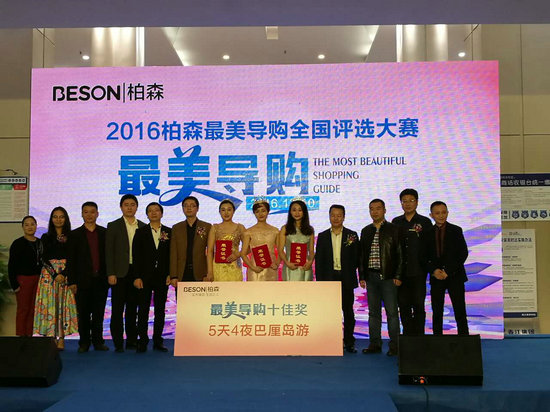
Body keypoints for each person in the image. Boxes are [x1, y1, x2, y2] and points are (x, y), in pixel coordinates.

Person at [359, 199, 403, 357]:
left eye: (378, 208)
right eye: (372, 209)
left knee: (392, 313)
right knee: (373, 313)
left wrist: (398, 275)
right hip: (371, 277)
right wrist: (362, 276)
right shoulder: (366, 231)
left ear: (384, 210)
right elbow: (362, 255)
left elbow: (400, 254)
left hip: (389, 278)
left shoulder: (394, 229)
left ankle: (395, 345)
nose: (375, 212)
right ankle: (375, 344)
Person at [315, 204, 360, 353]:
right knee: (330, 312)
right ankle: (331, 341)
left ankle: (349, 341)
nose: (336, 218)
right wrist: (321, 282)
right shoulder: (322, 236)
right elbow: (319, 261)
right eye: (333, 215)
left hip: (346, 277)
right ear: (329, 216)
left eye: (339, 215)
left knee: (348, 311)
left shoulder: (352, 235)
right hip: (329, 278)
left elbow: (357, 257)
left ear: (344, 217)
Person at [66, 201, 109, 353]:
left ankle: (98, 342)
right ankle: (84, 342)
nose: (89, 215)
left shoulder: (105, 233)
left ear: (97, 214)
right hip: (82, 282)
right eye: (86, 212)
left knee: (98, 314)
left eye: (92, 212)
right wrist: (72, 281)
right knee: (83, 314)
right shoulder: (74, 235)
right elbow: (70, 260)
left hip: (101, 280)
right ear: (82, 214)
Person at [34, 207, 78, 350]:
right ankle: (51, 336)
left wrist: (63, 274)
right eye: (55, 216)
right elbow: (43, 258)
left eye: (61, 216)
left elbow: (73, 258)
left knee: (63, 306)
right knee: (50, 306)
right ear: (51, 219)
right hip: (49, 276)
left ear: (66, 219)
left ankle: (62, 338)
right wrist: (54, 274)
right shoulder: (45, 237)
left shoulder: (72, 237)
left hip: (66, 275)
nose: (58, 219)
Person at [106, 194, 146, 352]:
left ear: (137, 207)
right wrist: (111, 273)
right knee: (117, 309)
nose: (129, 207)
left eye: (132, 204)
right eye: (126, 204)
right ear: (121, 207)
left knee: (132, 309)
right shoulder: (113, 225)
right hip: (119, 273)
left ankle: (131, 340)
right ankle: (117, 342)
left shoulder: (143, 226)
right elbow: (109, 251)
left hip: (136, 272)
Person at [391, 188, 432, 336]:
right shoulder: (396, 222)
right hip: (401, 273)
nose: (408, 204)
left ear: (417, 202)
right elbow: (392, 248)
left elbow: (429, 247)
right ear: (401, 203)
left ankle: (419, 337)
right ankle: (408, 337)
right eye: (405, 201)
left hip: (419, 271)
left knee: (419, 305)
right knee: (403, 306)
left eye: (411, 201)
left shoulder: (425, 222)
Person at [132, 202, 172, 352]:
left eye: (156, 210)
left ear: (162, 213)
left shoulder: (169, 232)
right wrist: (137, 276)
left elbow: (172, 255)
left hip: (162, 277)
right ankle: (142, 340)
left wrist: (170, 274)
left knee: (160, 310)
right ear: (147, 214)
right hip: (144, 277)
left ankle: (158, 341)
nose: (154, 213)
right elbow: (136, 256)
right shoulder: (140, 232)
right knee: (143, 310)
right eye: (150, 211)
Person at [426, 201, 469, 336]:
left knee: (460, 310)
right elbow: (423, 256)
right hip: (436, 277)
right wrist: (434, 271)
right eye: (437, 213)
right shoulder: (427, 233)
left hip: (455, 276)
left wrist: (447, 271)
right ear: (431, 215)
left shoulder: (456, 230)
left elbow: (463, 253)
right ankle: (437, 340)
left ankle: (464, 340)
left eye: (444, 212)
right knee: (437, 311)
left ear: (448, 213)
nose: (441, 215)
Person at [8, 216, 43, 336]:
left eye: (32, 224)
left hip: (38, 279)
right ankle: (21, 337)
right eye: (27, 225)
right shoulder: (17, 243)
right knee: (23, 309)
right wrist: (14, 284)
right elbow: (11, 266)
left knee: (33, 309)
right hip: (23, 280)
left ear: (36, 226)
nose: (30, 227)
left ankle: (30, 336)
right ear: (22, 227)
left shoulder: (40, 243)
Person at [170, 196, 211, 288]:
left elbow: (210, 252)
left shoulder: (207, 226)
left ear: (198, 208)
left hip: (201, 273)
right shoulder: (176, 228)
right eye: (186, 206)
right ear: (182, 208)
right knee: (181, 297)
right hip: (181, 273)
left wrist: (208, 273)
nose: (189, 208)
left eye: (192, 205)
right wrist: (173, 276)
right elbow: (173, 253)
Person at [206, 199, 245, 282]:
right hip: (218, 267)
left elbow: (249, 247)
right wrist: (210, 271)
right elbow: (209, 251)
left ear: (233, 211)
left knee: (235, 289)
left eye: (229, 210)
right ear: (219, 212)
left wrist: (238, 254)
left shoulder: (240, 228)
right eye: (223, 210)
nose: (226, 213)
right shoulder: (215, 228)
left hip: (234, 265)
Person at [241, 199, 280, 281]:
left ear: (268, 212)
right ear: (254, 213)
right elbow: (243, 254)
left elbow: (280, 251)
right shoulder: (248, 232)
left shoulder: (275, 231)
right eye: (257, 211)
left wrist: (277, 263)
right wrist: (252, 267)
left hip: (271, 268)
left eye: (263, 211)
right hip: (255, 269)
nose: (260, 214)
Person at [278, 199, 315, 281]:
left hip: (305, 267)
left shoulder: (310, 230)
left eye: (300, 210)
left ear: (304, 212)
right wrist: (287, 263)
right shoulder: (285, 229)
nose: (297, 213)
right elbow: (280, 250)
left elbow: (311, 251)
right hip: (290, 267)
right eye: (294, 210)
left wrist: (310, 262)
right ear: (290, 212)